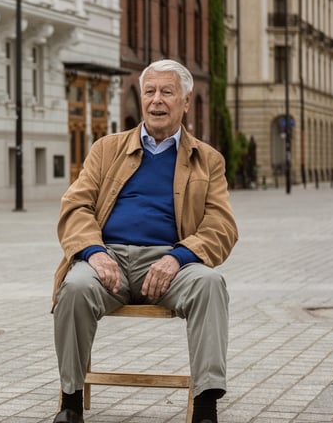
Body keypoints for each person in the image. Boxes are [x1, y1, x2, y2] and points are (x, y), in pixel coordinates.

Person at [51, 59, 239, 423]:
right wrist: (94, 253)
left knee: (211, 284)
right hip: (109, 260)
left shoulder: (208, 159)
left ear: (185, 101)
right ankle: (70, 403)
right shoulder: (106, 148)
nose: (156, 100)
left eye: (167, 92)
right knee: (73, 287)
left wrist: (179, 257)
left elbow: (221, 225)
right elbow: (75, 206)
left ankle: (205, 408)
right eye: (149, 91)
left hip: (172, 263)